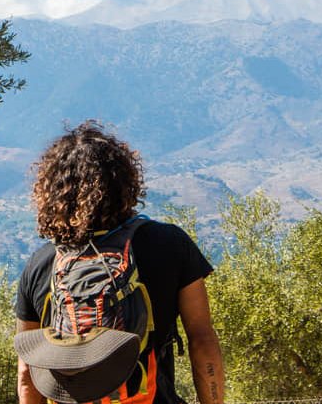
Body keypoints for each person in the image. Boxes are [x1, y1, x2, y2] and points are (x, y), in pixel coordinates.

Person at [14, 122, 225, 404]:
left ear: (52, 193)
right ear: (123, 181)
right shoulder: (169, 244)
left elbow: (27, 371)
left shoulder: (41, 265)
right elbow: (202, 342)